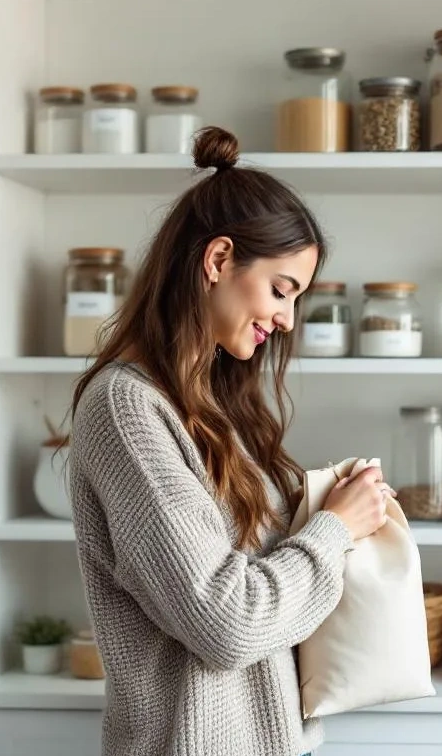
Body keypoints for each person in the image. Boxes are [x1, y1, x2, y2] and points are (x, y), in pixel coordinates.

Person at [67, 126, 391, 756]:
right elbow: (226, 623)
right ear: (217, 261)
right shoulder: (127, 409)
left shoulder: (213, 405)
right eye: (280, 289)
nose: (287, 318)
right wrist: (333, 530)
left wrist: (333, 503)